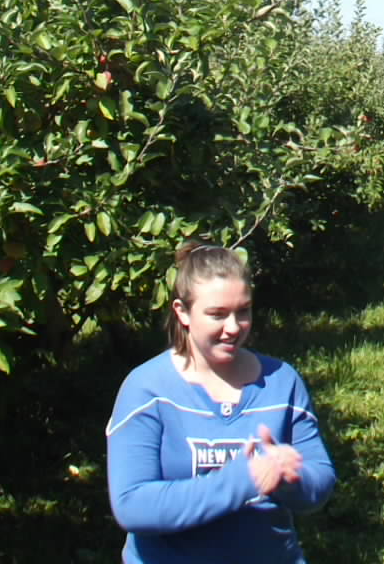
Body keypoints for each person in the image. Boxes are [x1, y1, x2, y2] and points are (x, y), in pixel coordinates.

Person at [105, 241, 336, 562]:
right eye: (217, 314)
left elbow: (320, 481)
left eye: (243, 311)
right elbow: (132, 505)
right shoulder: (147, 390)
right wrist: (245, 479)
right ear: (182, 312)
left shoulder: (282, 381)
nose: (233, 328)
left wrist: (289, 479)